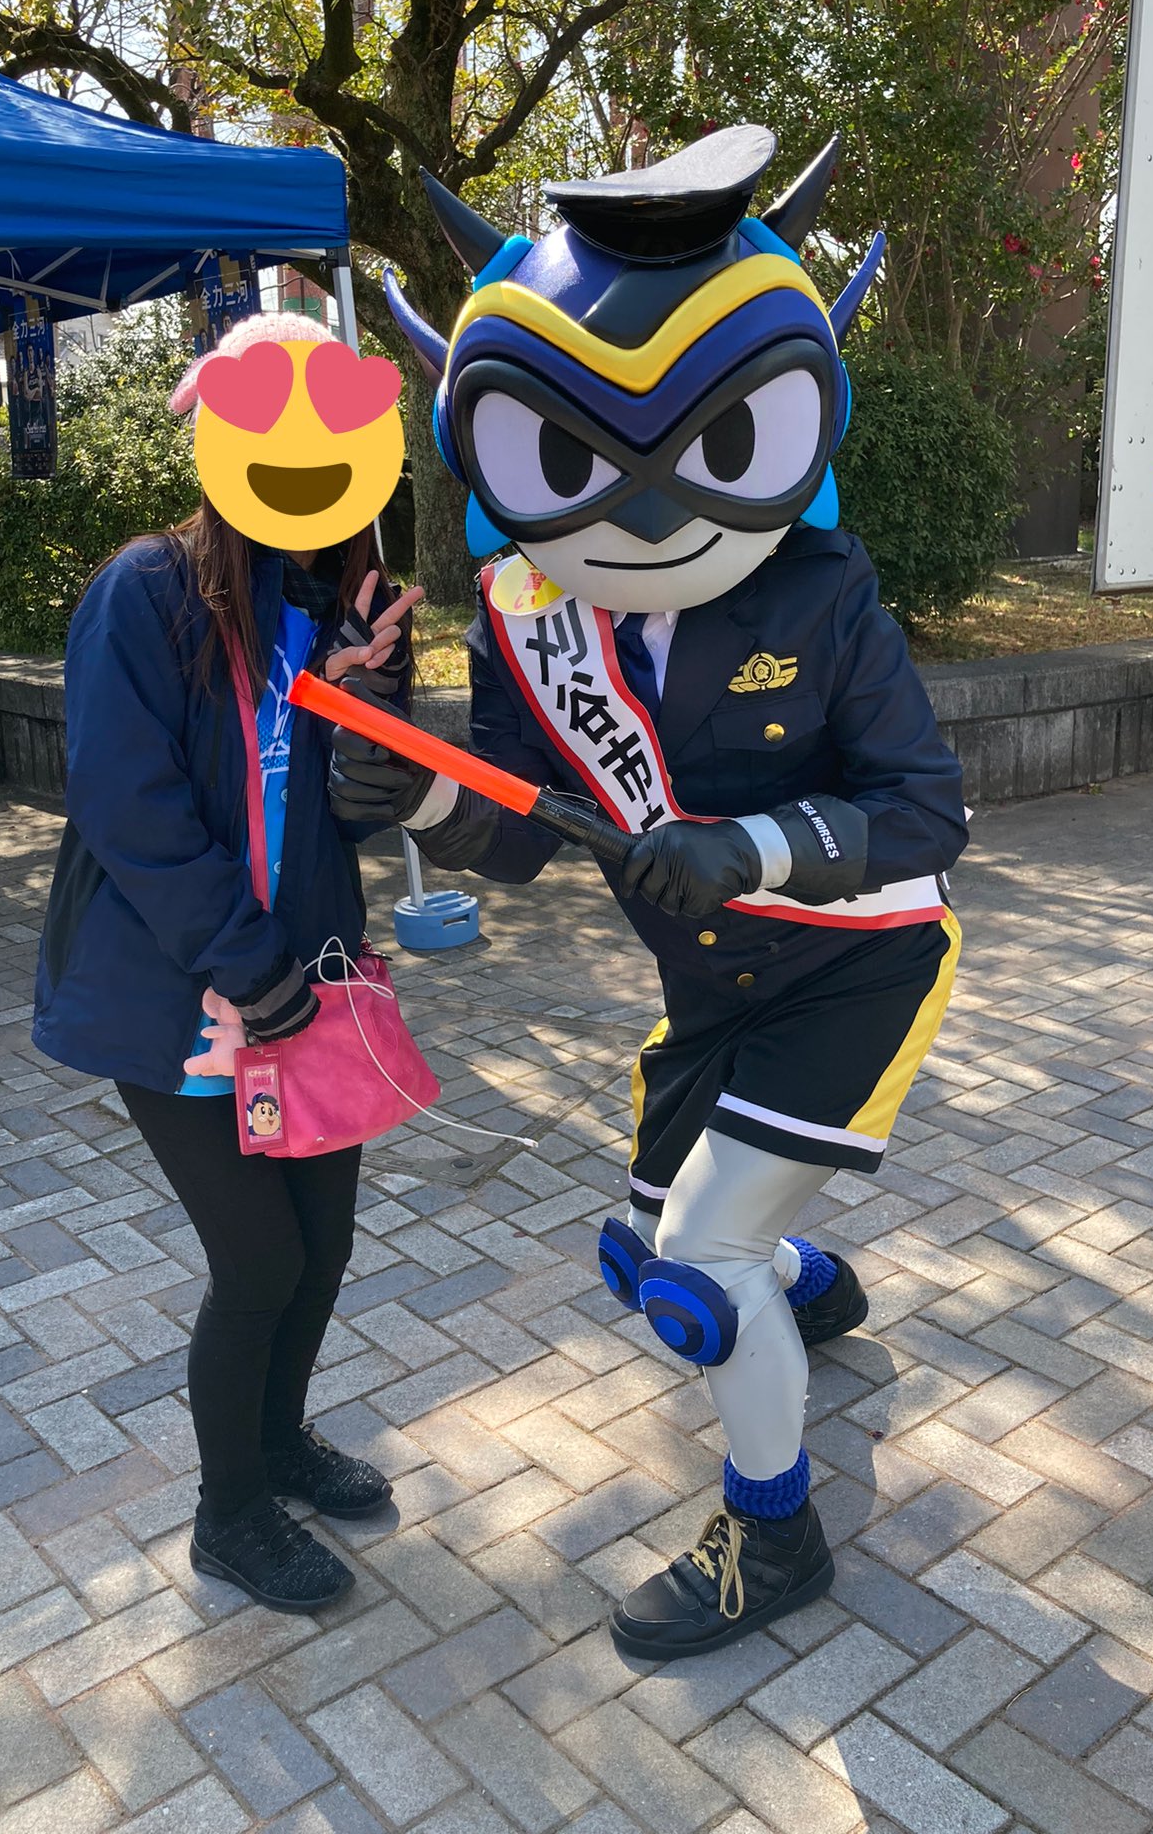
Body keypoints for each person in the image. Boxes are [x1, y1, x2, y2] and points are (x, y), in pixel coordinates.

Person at [335, 127, 968, 1658]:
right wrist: (414, 793)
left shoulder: (822, 593)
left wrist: (747, 849)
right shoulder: (524, 605)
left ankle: (775, 1534)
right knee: (649, 1244)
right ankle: (806, 1284)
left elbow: (925, 815)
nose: (635, 502)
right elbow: (521, 826)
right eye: (571, 454)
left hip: (857, 967)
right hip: (710, 988)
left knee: (693, 1268)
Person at [34, 310, 420, 1615]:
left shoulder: (333, 602)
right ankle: (229, 1513)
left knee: (322, 1248)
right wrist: (251, 968)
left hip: (305, 989)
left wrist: (370, 700)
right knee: (258, 1261)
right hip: (183, 997)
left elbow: (359, 810)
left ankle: (278, 1444)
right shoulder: (145, 592)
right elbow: (127, 805)